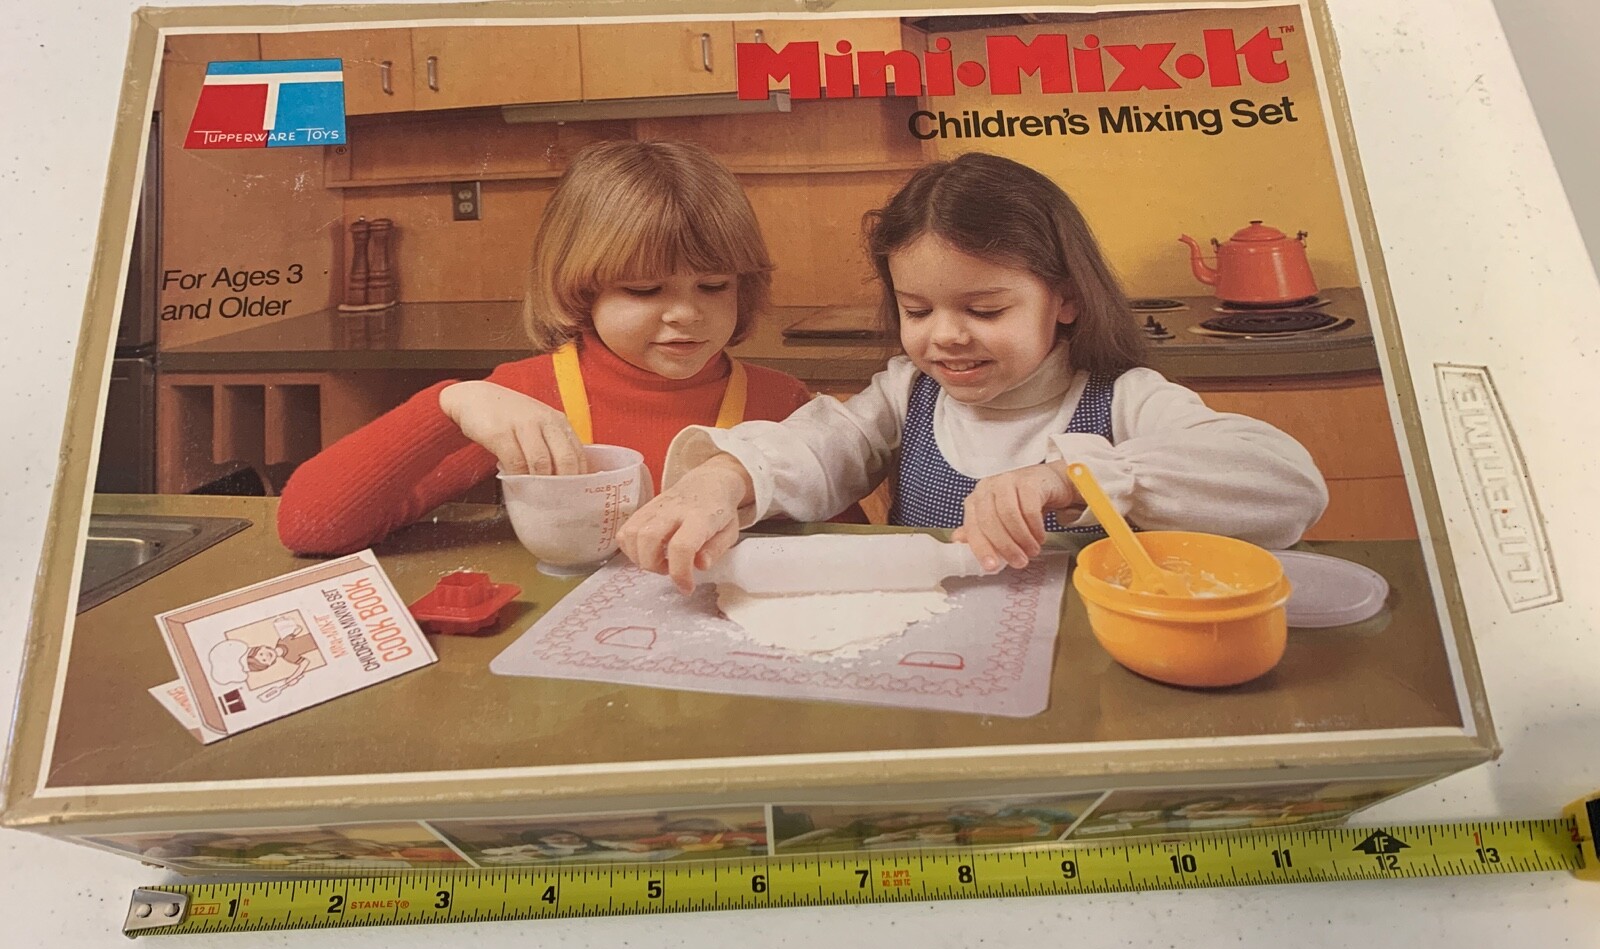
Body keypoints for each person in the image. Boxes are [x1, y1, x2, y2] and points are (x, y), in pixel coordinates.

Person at [618, 153, 1329, 592]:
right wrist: (722, 480)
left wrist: (1071, 479)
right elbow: (820, 445)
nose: (945, 336)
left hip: (1091, 663)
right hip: (935, 653)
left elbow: (1288, 484)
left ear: (1066, 298)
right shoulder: (908, 394)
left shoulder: (1124, 401)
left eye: (985, 309)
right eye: (917, 309)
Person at [276, 140, 817, 555]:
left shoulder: (782, 404)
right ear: (579, 288)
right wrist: (450, 405)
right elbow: (309, 526)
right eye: (644, 289)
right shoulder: (524, 398)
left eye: (714, 286)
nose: (686, 313)